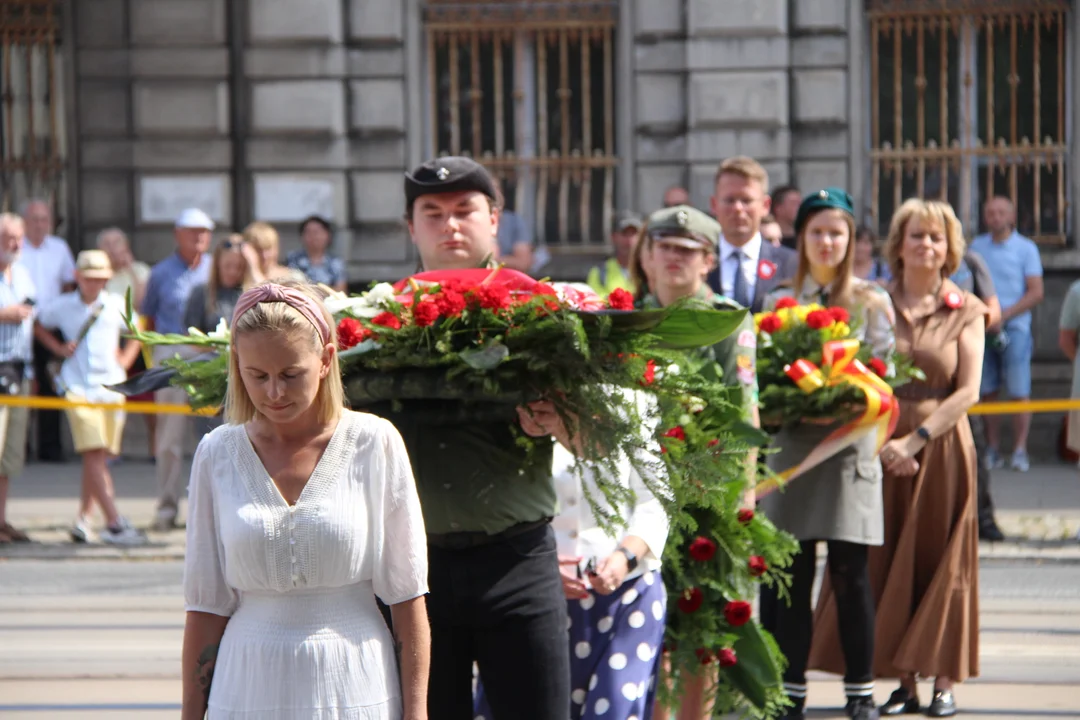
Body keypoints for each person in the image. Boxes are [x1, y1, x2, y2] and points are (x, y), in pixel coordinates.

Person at [360, 156, 569, 720]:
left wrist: (559, 420)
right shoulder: (374, 319)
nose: (450, 224)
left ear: (495, 219)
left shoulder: (541, 311)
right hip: (411, 571)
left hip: (518, 560)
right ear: (411, 226)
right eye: (433, 213)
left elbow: (601, 434)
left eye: (464, 210)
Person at [180, 281, 430, 719]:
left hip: (355, 684)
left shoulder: (375, 442)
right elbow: (205, 606)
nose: (274, 392)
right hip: (245, 687)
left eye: (290, 374)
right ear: (237, 365)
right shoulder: (216, 453)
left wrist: (417, 713)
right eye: (257, 376)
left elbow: (408, 599)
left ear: (326, 359)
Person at [809, 199, 987, 718]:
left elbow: (968, 391)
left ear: (949, 247)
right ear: (898, 244)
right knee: (884, 562)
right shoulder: (873, 301)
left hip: (943, 450)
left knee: (941, 562)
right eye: (916, 236)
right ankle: (904, 683)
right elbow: (855, 371)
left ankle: (944, 683)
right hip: (877, 446)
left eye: (936, 237)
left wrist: (915, 442)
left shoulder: (966, 308)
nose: (926, 246)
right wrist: (882, 443)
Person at [759, 189, 895, 720]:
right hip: (792, 451)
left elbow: (885, 375)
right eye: (816, 232)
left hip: (846, 450)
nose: (826, 242)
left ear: (851, 240)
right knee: (789, 575)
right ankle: (788, 692)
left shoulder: (871, 301)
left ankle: (860, 691)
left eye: (836, 232)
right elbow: (763, 374)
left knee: (850, 573)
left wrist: (844, 397)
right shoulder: (777, 304)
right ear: (801, 238)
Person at [629, 205, 758, 720]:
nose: (676, 259)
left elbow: (743, 415)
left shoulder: (728, 321)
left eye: (689, 251)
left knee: (699, 625)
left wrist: (741, 500)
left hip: (704, 495)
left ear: (708, 261)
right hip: (634, 493)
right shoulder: (626, 318)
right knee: (644, 626)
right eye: (666, 248)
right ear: (647, 256)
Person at [474, 391, 670, 720]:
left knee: (614, 710)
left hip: (627, 596)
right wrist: (537, 567)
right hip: (536, 597)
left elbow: (656, 500)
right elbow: (490, 507)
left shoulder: (630, 401)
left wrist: (624, 558)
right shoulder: (512, 405)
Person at [33, 250, 147, 546]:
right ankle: (114, 522)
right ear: (78, 278)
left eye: (99, 279)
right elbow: (38, 322)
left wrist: (125, 357)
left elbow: (138, 330)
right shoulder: (63, 305)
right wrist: (57, 348)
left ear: (106, 279)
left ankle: (84, 519)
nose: (94, 284)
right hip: (78, 386)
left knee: (98, 456)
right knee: (94, 452)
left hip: (111, 386)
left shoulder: (115, 304)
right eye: (89, 278)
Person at [140, 208, 213, 532]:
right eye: (191, 231)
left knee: (211, 436)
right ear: (177, 234)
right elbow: (148, 317)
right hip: (171, 352)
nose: (198, 238)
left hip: (210, 354)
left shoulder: (214, 268)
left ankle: (210, 511)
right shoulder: (160, 273)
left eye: (204, 231)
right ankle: (167, 507)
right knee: (169, 437)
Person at [970, 196, 1044, 472]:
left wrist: (1004, 315)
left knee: (1019, 390)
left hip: (1016, 329)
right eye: (990, 212)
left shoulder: (1026, 249)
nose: (995, 217)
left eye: (1001, 212)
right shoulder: (976, 247)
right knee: (986, 391)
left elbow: (1036, 292)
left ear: (1011, 217)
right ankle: (992, 449)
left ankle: (1020, 450)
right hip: (983, 328)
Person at [950, 252, 1006, 542]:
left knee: (974, 449)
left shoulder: (970, 262)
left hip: (964, 372)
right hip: (924, 381)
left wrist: (964, 327)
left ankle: (982, 517)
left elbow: (993, 311)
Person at [19, 199, 76, 462]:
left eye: (44, 219)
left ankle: (50, 447)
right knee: (21, 385)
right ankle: (21, 447)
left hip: (50, 326)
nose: (40, 225)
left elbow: (68, 284)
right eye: (34, 219)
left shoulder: (59, 247)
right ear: (24, 223)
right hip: (19, 326)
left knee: (52, 386)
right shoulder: (15, 247)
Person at [708, 157, 797, 312]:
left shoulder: (791, 263)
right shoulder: (697, 263)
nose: (737, 208)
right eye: (729, 200)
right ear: (714, 205)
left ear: (765, 205)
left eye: (746, 200)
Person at [98, 227, 156, 461]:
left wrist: (130, 268)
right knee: (113, 392)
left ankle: (154, 448)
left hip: (137, 338)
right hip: (111, 338)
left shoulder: (140, 270)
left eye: (117, 242)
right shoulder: (99, 274)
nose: (113, 248)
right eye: (107, 244)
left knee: (148, 394)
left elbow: (144, 304)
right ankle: (112, 449)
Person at [0, 213, 35, 545]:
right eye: (9, 238)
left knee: (9, 456)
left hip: (19, 370)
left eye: (19, 238)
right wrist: (4, 314)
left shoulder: (23, 274)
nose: (15, 244)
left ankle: (1, 520)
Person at [586, 210, 644, 295]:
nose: (629, 241)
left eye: (634, 234)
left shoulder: (650, 271)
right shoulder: (599, 273)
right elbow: (595, 303)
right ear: (614, 237)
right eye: (625, 234)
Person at [286, 215, 347, 292]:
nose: (313, 236)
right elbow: (291, 286)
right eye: (308, 232)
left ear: (328, 235)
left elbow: (340, 290)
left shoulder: (335, 262)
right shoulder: (294, 258)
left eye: (316, 232)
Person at [770, 184, 802, 250]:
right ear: (778, 208)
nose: (800, 207)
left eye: (800, 203)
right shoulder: (766, 238)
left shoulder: (803, 239)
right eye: (794, 203)